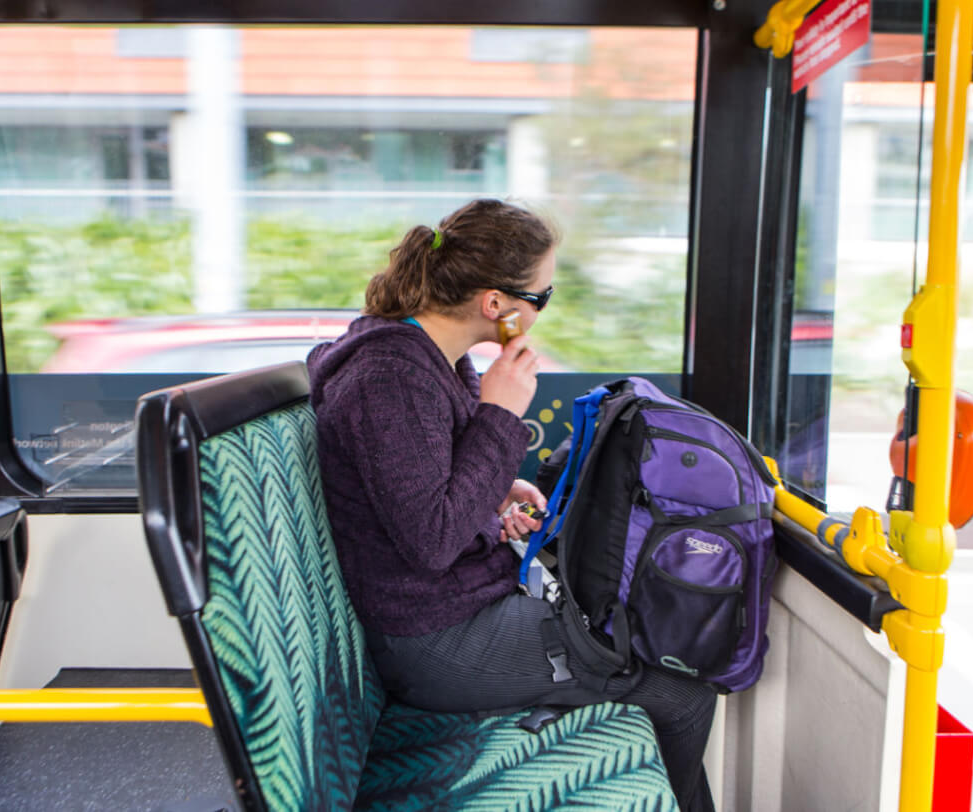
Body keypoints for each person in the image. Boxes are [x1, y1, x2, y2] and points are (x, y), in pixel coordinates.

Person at [307, 198, 717, 811]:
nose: (541, 311)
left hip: (455, 607)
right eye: (541, 298)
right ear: (496, 305)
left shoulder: (428, 359)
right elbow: (432, 541)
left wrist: (494, 497)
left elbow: (416, 490)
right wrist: (501, 414)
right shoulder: (390, 377)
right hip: (435, 641)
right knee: (684, 687)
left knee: (646, 629)